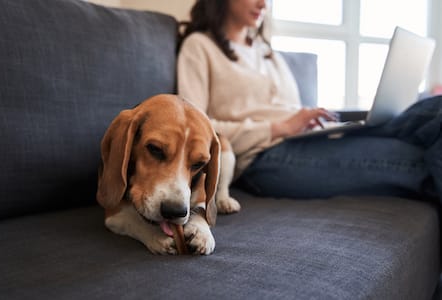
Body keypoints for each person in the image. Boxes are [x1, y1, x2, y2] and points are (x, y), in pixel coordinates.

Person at [177, 0, 442, 203]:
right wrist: (280, 128)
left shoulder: (266, 52)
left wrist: (310, 121)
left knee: (435, 111)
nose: (263, 4)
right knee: (417, 158)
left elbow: (291, 110)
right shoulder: (199, 47)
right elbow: (195, 129)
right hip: (263, 157)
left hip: (306, 138)